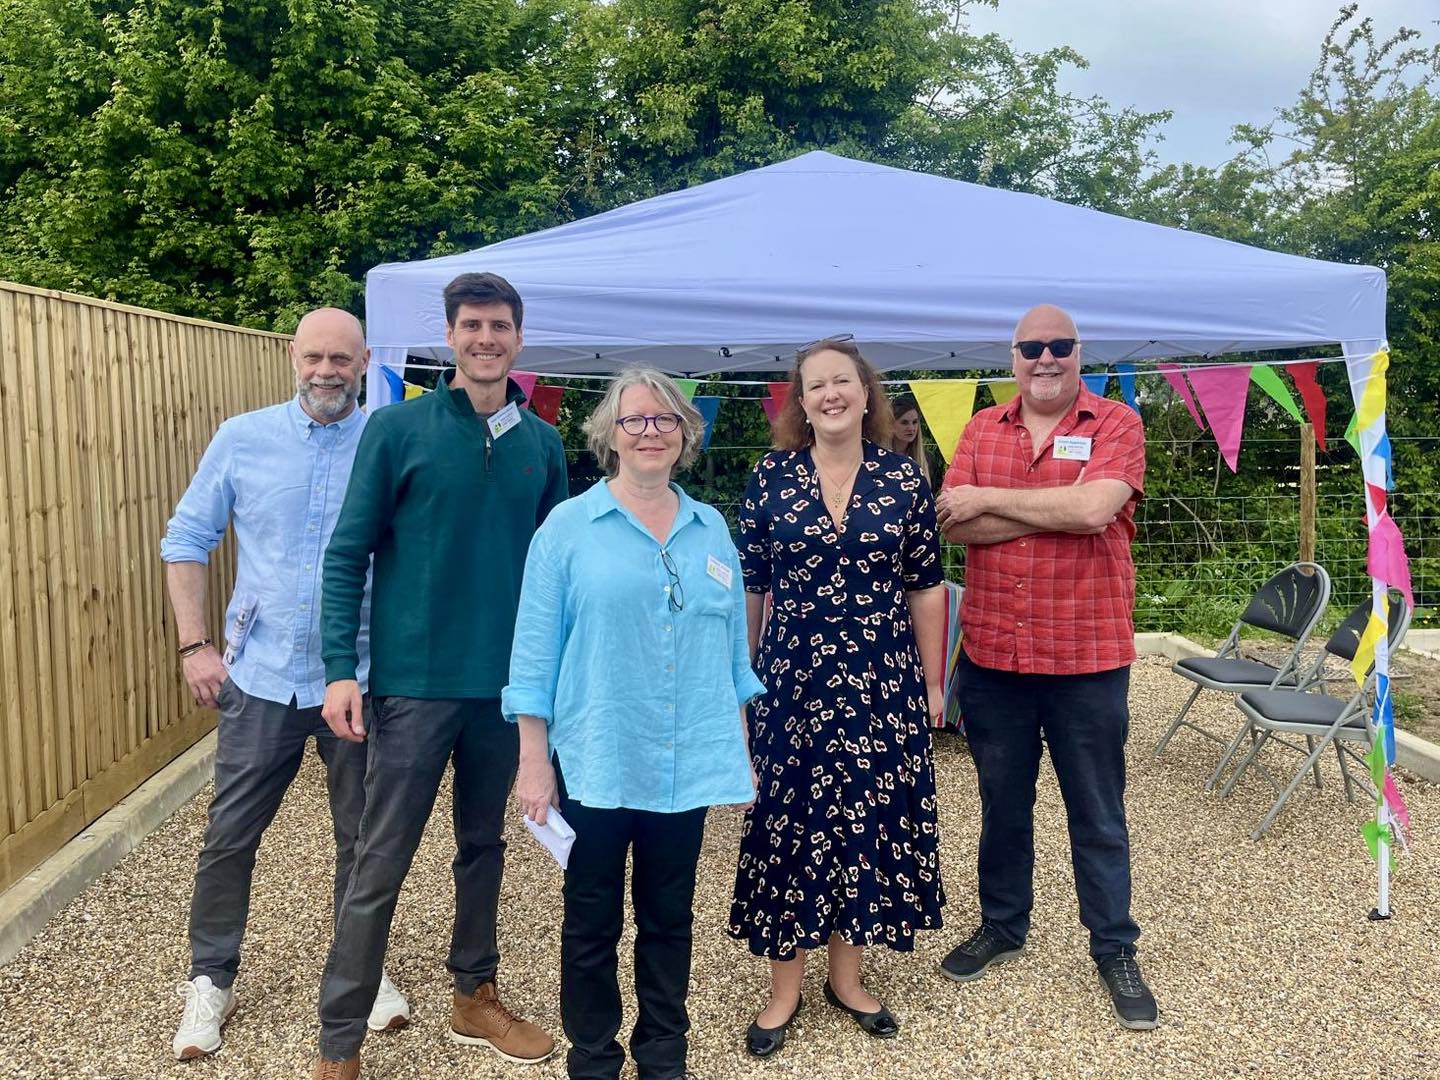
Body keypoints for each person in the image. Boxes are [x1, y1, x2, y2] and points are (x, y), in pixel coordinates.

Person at [311, 273, 567, 1079]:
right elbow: (347, 552)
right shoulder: (397, 429)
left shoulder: (543, 446)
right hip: (414, 685)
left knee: (483, 845)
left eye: (500, 326)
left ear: (519, 340)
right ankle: (339, 1042)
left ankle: (474, 995)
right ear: (450, 337)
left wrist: (553, 688)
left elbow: (556, 576)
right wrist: (338, 670)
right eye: (471, 325)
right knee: (378, 857)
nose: (486, 339)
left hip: (505, 690)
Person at [161, 308, 410, 1061]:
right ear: (293, 356)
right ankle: (210, 978)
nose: (326, 371)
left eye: (341, 358)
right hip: (261, 676)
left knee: (364, 839)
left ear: (365, 360)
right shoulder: (242, 437)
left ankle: (362, 970)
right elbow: (186, 538)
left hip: (359, 676)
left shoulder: (390, 441)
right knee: (231, 834)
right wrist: (194, 646)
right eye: (314, 357)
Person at [505, 367, 764, 1080]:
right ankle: (593, 1056)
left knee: (669, 918)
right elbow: (533, 652)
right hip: (597, 757)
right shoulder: (568, 527)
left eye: (663, 420)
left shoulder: (710, 526)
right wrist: (534, 760)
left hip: (681, 763)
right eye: (634, 421)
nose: (650, 432)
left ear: (685, 433)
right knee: (591, 922)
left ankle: (661, 1052)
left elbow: (729, 657)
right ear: (608, 436)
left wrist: (739, 750)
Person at [934, 304, 1158, 1030]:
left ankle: (1114, 945)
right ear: (1013, 356)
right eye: (1032, 347)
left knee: (1097, 811)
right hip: (996, 655)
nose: (1046, 357)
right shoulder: (978, 428)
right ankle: (1003, 925)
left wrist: (997, 502)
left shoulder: (1116, 424)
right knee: (1003, 806)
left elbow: (1096, 511)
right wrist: (1054, 508)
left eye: (1059, 345)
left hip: (1086, 657)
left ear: (1078, 351)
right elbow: (953, 521)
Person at [730, 335, 947, 1056]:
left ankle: (847, 980)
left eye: (843, 382)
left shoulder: (901, 479)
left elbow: (924, 586)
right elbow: (752, 587)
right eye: (816, 384)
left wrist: (934, 680)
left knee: (864, 823)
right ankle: (783, 989)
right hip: (789, 682)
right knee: (786, 824)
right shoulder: (770, 477)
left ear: (866, 393)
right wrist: (743, 680)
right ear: (801, 399)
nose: (830, 394)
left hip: (880, 684)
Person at [889, 393, 938, 491]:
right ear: (890, 425)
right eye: (904, 422)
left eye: (915, 422)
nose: (911, 428)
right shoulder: (878, 457)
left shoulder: (927, 460)